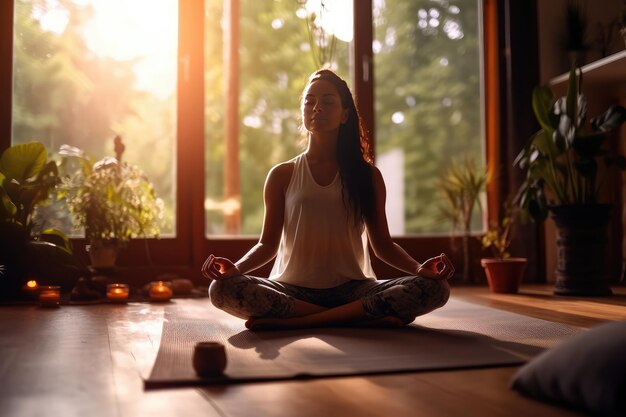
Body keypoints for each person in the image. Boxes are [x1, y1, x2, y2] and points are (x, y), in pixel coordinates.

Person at [202, 68, 454, 331]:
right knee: (221, 289)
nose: (316, 107)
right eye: (309, 101)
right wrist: (237, 268)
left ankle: (302, 322)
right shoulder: (281, 175)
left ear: (345, 114)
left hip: (355, 289)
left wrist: (418, 268)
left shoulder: (367, 176)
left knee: (435, 288)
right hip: (292, 290)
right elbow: (267, 244)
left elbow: (383, 245)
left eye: (327, 101)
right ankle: (359, 318)